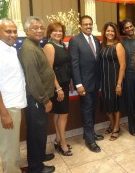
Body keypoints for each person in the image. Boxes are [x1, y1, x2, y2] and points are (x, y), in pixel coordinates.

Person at [0, 18, 27, 173]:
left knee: (13, 145)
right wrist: (4, 114)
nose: (13, 34)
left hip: (13, 104)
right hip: (5, 107)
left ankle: (15, 169)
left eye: (15, 31)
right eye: (8, 31)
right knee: (8, 149)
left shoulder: (10, 49)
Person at [18, 16, 56, 173]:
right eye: (35, 28)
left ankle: (39, 156)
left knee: (39, 131)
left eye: (41, 27)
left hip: (39, 98)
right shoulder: (29, 49)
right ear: (27, 31)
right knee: (36, 133)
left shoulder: (35, 45)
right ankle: (36, 167)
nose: (39, 30)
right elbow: (33, 80)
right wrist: (45, 100)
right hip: (36, 99)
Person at [69, 15, 104, 153]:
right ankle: (90, 140)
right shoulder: (75, 41)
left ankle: (89, 133)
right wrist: (78, 84)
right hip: (84, 84)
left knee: (92, 109)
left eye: (90, 24)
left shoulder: (96, 40)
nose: (88, 26)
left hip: (95, 83)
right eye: (85, 24)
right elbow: (74, 64)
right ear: (80, 26)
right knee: (87, 111)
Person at [43, 22, 72, 156]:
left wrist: (69, 82)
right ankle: (63, 143)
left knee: (58, 114)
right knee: (63, 114)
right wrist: (58, 88)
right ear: (49, 33)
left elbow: (66, 65)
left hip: (64, 83)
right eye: (55, 31)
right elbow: (49, 70)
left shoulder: (62, 45)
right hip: (57, 85)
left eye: (60, 31)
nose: (58, 33)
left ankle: (58, 139)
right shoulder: (49, 46)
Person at [100, 22, 126, 141]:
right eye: (108, 31)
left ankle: (116, 127)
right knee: (107, 104)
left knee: (116, 104)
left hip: (115, 79)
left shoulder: (118, 45)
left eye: (112, 31)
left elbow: (122, 65)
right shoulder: (102, 45)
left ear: (115, 32)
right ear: (104, 32)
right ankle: (112, 123)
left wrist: (119, 84)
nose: (110, 33)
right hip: (105, 80)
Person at [121, 19, 135, 136]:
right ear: (123, 30)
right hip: (128, 75)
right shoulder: (122, 41)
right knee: (130, 102)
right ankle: (131, 125)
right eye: (127, 28)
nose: (130, 29)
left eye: (131, 26)